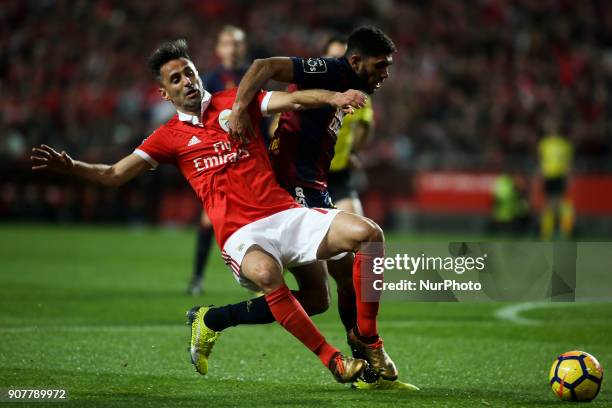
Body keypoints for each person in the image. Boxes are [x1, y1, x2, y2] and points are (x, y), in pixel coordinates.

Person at [30, 39, 391, 385]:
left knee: (368, 237)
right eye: (176, 79)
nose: (186, 81)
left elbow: (294, 101)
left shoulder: (234, 100)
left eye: (189, 72)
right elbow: (113, 174)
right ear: (163, 93)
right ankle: (333, 360)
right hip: (241, 234)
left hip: (285, 212)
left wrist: (333, 95)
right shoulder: (167, 137)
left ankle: (369, 343)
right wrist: (72, 165)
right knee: (267, 273)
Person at [228, 26, 411, 389]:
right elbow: (264, 65)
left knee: (334, 287)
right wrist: (238, 108)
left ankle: (360, 350)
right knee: (362, 247)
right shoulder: (330, 70)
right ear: (355, 61)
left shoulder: (356, 88)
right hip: (289, 193)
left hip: (316, 188)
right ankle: (367, 345)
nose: (385, 73)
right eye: (380, 65)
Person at [188, 25, 249, 296]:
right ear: (219, 48)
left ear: (243, 48)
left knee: (256, 217)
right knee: (207, 220)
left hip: (250, 157)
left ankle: (260, 280)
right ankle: (197, 278)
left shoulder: (252, 76)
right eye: (227, 43)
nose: (232, 49)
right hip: (220, 158)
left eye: (236, 44)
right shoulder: (210, 81)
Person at [538, 118, 574, 240]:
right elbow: (542, 161)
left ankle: (565, 230)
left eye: (553, 126)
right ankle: (547, 232)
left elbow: (568, 162)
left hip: (559, 175)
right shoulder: (544, 144)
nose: (551, 129)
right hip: (548, 176)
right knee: (548, 204)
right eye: (550, 127)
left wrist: (568, 176)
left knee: (561, 203)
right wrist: (540, 175)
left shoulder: (564, 144)